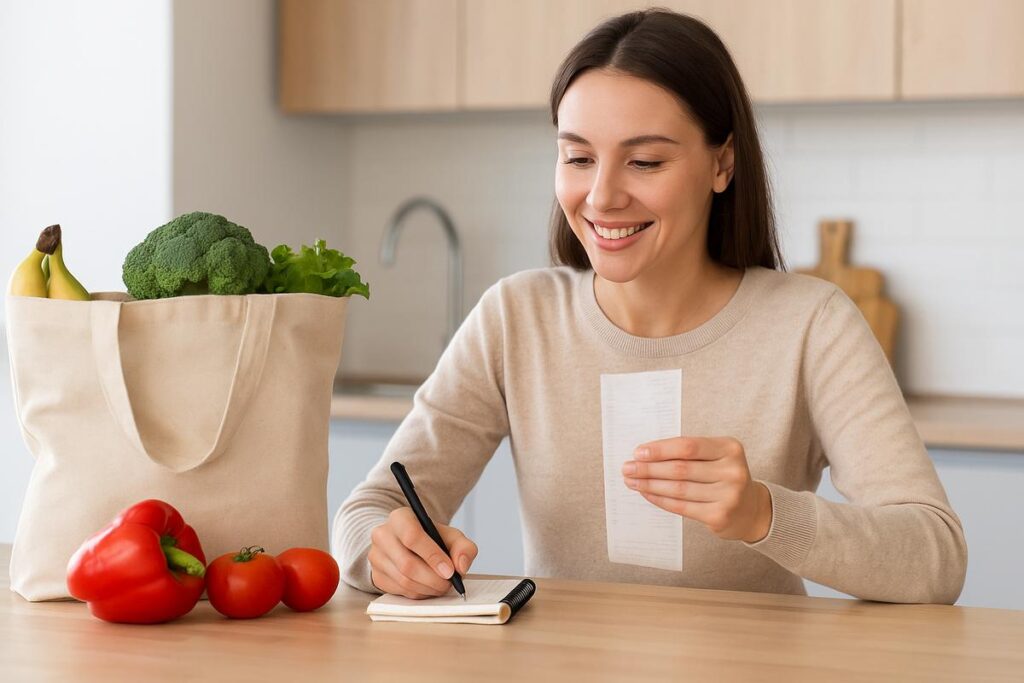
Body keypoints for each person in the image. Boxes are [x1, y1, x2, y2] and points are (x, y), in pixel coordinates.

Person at [333, 9, 967, 604]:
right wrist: (382, 553)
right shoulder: (516, 317)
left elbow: (936, 557)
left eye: (644, 161)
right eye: (578, 157)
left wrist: (764, 514)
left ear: (722, 163)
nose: (602, 196)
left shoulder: (810, 324)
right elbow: (369, 510)